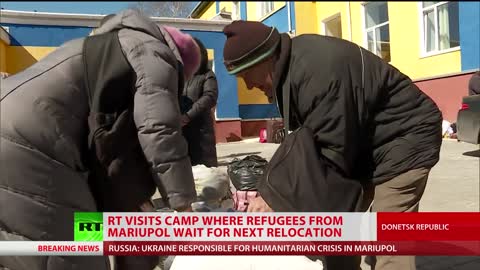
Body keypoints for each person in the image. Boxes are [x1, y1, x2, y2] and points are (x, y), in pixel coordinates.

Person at [222, 21, 442, 270]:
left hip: (405, 136)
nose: (249, 86)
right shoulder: (290, 68)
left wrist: (275, 197)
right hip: (361, 142)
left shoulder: (316, 71)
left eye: (246, 76)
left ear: (263, 58)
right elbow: (308, 142)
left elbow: (326, 150)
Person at [0, 9, 200, 270]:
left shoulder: (106, 48)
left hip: (23, 134)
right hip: (29, 142)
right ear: (179, 64)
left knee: (75, 233)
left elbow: (111, 147)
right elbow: (159, 129)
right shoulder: (152, 52)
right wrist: (184, 207)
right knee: (77, 256)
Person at [181, 37, 219, 167]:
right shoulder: (181, 75)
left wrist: (188, 116)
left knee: (205, 174)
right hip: (181, 132)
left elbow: (210, 97)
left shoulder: (207, 74)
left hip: (201, 132)